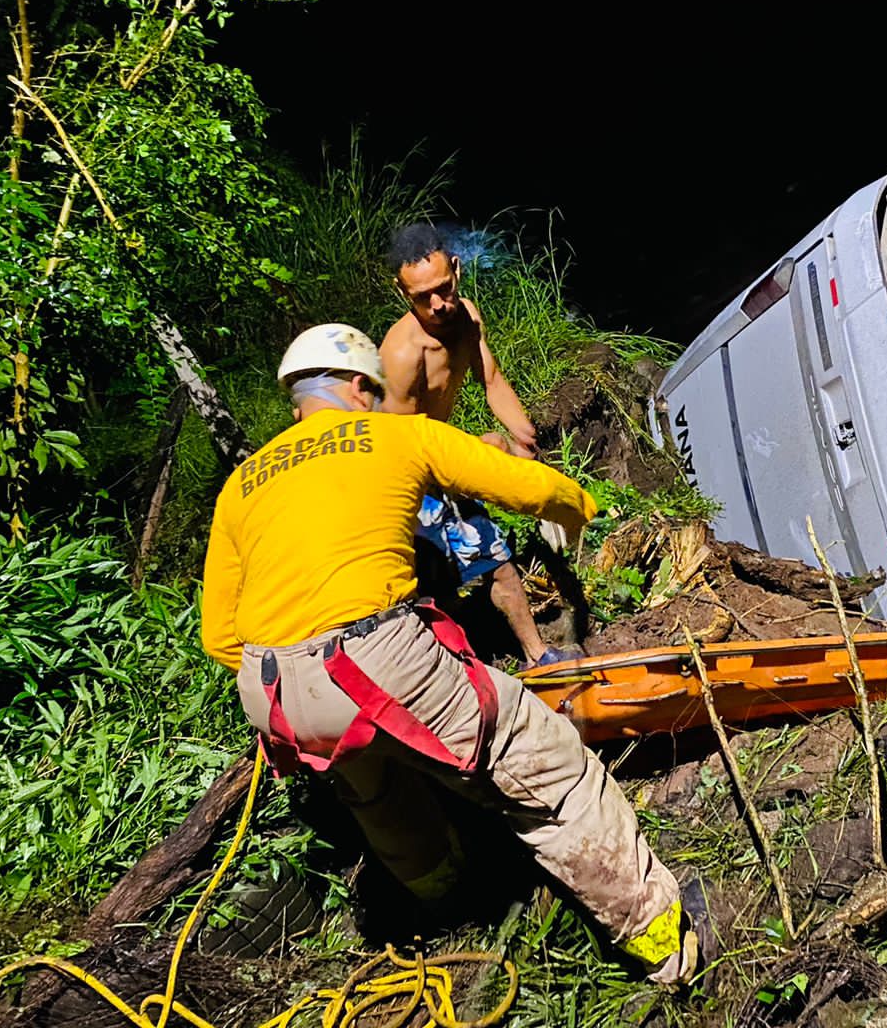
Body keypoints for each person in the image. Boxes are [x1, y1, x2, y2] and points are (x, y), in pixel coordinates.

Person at [200, 324, 700, 986]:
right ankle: (665, 943)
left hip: (273, 692)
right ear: (357, 387)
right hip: (375, 655)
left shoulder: (243, 486)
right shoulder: (392, 434)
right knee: (552, 775)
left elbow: (218, 637)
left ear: (299, 399)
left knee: (376, 792)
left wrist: (302, 675)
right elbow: (516, 484)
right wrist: (578, 504)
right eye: (371, 391)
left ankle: (447, 899)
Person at [378, 222, 575, 665]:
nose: (437, 304)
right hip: (407, 480)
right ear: (402, 293)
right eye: (422, 297)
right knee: (436, 587)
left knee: (497, 562)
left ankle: (538, 655)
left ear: (457, 270)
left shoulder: (467, 316)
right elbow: (401, 444)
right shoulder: (403, 355)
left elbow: (492, 381)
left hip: (440, 462)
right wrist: (479, 458)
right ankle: (458, 675)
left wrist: (527, 442)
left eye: (442, 288)